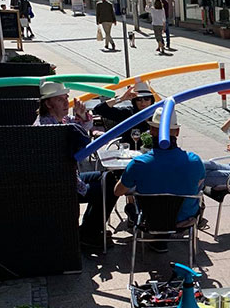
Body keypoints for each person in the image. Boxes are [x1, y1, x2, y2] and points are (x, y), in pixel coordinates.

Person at [33, 81, 118, 250]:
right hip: (61, 187)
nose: (66, 103)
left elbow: (81, 126)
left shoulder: (58, 120)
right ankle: (89, 233)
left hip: (70, 178)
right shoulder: (47, 129)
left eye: (66, 98)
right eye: (60, 100)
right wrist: (83, 188)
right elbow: (63, 164)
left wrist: (81, 114)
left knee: (109, 178)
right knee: (111, 188)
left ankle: (89, 229)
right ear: (48, 103)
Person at [115, 106, 205, 253]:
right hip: (185, 219)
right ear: (177, 132)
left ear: (151, 131)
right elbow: (200, 183)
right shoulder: (195, 161)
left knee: (130, 204)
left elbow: (117, 191)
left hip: (150, 219)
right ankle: (161, 242)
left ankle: (156, 241)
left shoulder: (139, 164)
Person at [92, 81, 155, 149]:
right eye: (139, 99)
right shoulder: (128, 113)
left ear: (151, 100)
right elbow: (99, 109)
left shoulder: (158, 114)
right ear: (134, 101)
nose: (143, 102)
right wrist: (121, 98)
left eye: (147, 99)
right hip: (130, 153)